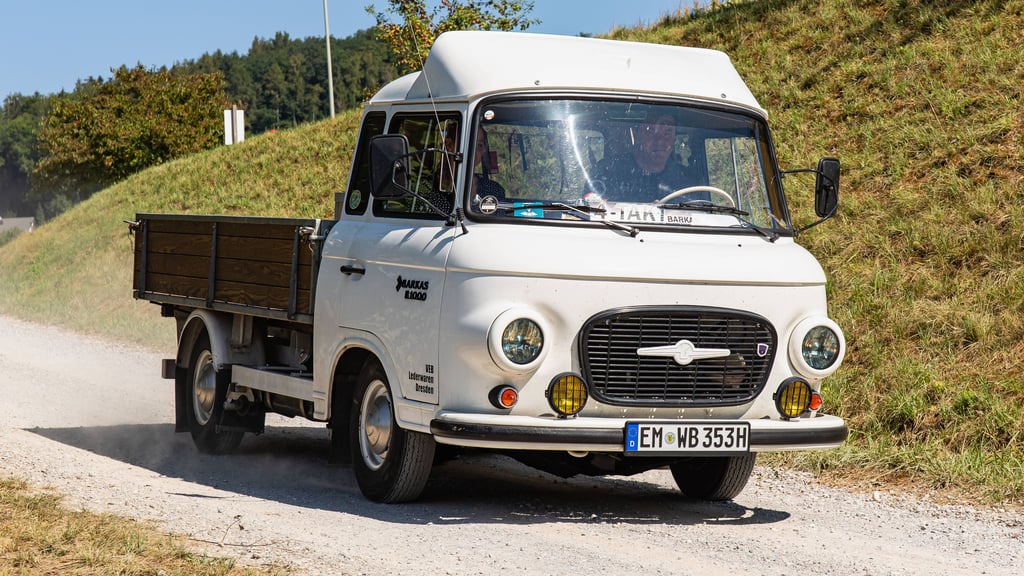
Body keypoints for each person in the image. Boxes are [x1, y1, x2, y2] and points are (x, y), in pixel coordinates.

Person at [593, 113, 690, 203]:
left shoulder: (687, 180)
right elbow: (589, 210)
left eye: (667, 132)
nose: (660, 141)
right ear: (637, 134)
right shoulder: (607, 172)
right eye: (651, 130)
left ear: (674, 138)